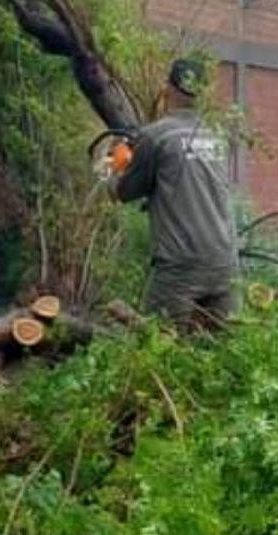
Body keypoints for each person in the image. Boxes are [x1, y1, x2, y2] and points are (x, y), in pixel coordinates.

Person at [110, 58, 238, 331]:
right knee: (222, 352)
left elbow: (123, 192)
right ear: (202, 93)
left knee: (160, 346)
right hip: (224, 261)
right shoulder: (217, 135)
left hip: (181, 267)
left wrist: (114, 165)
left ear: (167, 89)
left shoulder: (157, 136)